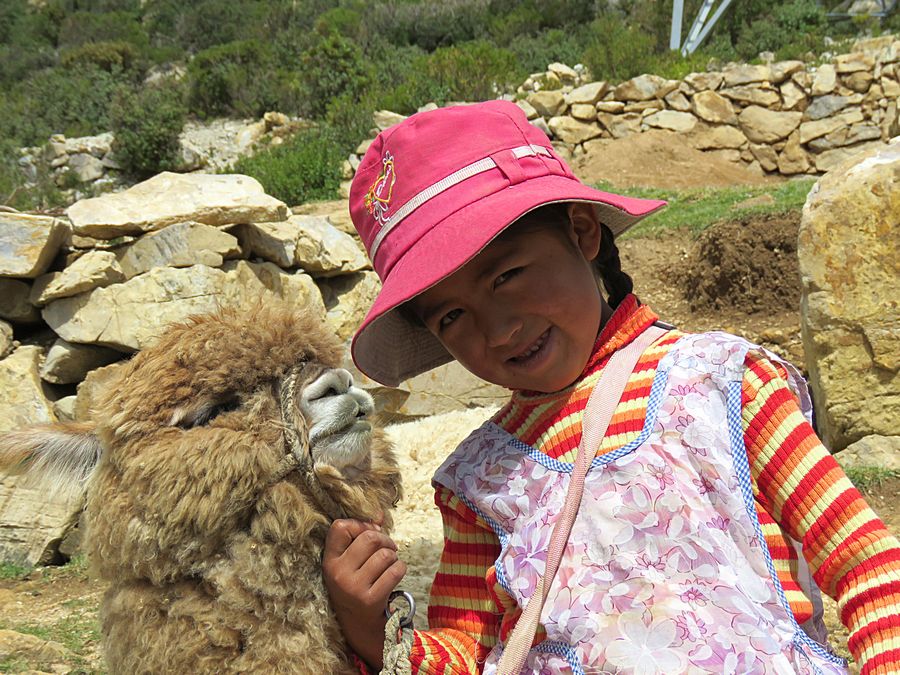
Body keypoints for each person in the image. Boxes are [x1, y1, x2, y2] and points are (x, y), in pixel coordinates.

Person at [322, 100, 900, 674]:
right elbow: (472, 656)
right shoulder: (479, 483)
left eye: (506, 276)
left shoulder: (721, 387)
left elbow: (867, 568)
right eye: (451, 317)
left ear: (582, 231)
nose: (497, 331)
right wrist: (372, 630)